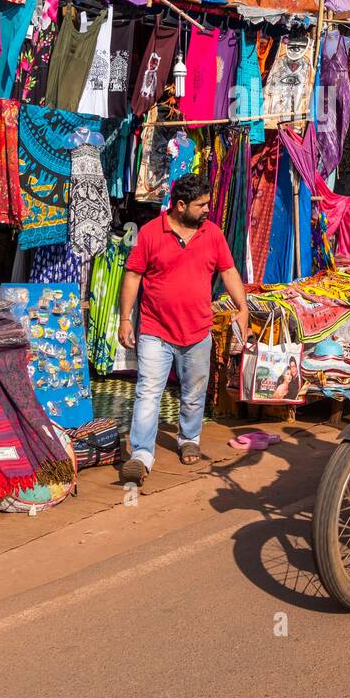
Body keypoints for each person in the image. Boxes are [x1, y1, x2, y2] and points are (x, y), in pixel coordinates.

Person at [118, 174, 249, 484]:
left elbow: (228, 270)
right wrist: (125, 319)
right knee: (148, 392)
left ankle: (189, 438)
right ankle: (141, 455)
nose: (207, 210)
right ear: (180, 205)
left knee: (193, 393)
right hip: (154, 329)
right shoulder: (151, 233)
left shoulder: (213, 234)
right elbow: (133, 276)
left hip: (197, 330)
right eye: (201, 205)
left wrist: (242, 307)